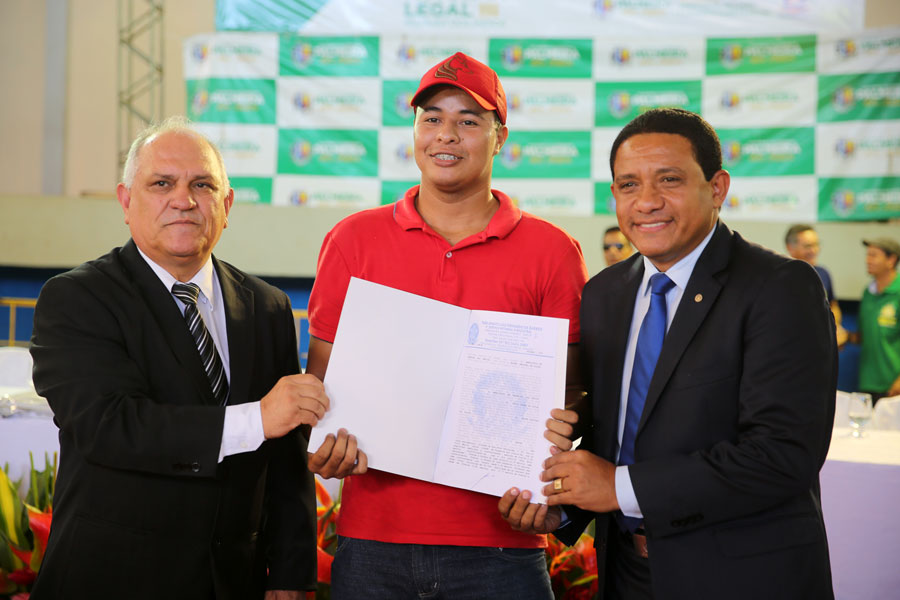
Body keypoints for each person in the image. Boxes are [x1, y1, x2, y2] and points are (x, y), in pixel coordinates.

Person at [499, 108, 836, 599]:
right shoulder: (604, 294)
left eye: (669, 180)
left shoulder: (780, 287)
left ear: (717, 188)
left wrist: (618, 487)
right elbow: (615, 437)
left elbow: (782, 455)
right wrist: (563, 504)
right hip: (626, 574)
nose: (647, 202)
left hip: (740, 578)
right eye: (629, 185)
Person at [304, 52, 588, 599]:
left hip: (503, 544)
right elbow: (322, 382)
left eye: (468, 121)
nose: (446, 135)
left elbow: (572, 391)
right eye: (431, 118)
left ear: (500, 138)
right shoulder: (352, 240)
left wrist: (549, 464)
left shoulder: (552, 251)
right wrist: (321, 443)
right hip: (373, 542)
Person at [29, 117, 326, 600]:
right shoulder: (76, 299)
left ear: (226, 206)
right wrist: (256, 418)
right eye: (162, 183)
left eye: (202, 185)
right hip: (114, 580)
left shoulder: (266, 306)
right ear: (126, 201)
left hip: (235, 584)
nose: (184, 200)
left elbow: (286, 460)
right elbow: (111, 426)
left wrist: (292, 575)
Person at [849, 237, 900, 402]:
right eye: (867, 255)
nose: (867, 260)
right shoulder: (868, 293)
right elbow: (862, 336)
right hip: (868, 383)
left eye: (873, 255)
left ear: (891, 260)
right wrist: (843, 336)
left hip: (894, 385)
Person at [785, 223, 847, 345]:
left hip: (819, 346)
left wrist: (835, 327)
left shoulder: (823, 273)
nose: (814, 250)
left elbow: (832, 305)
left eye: (816, 244)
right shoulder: (780, 276)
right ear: (790, 247)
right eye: (808, 246)